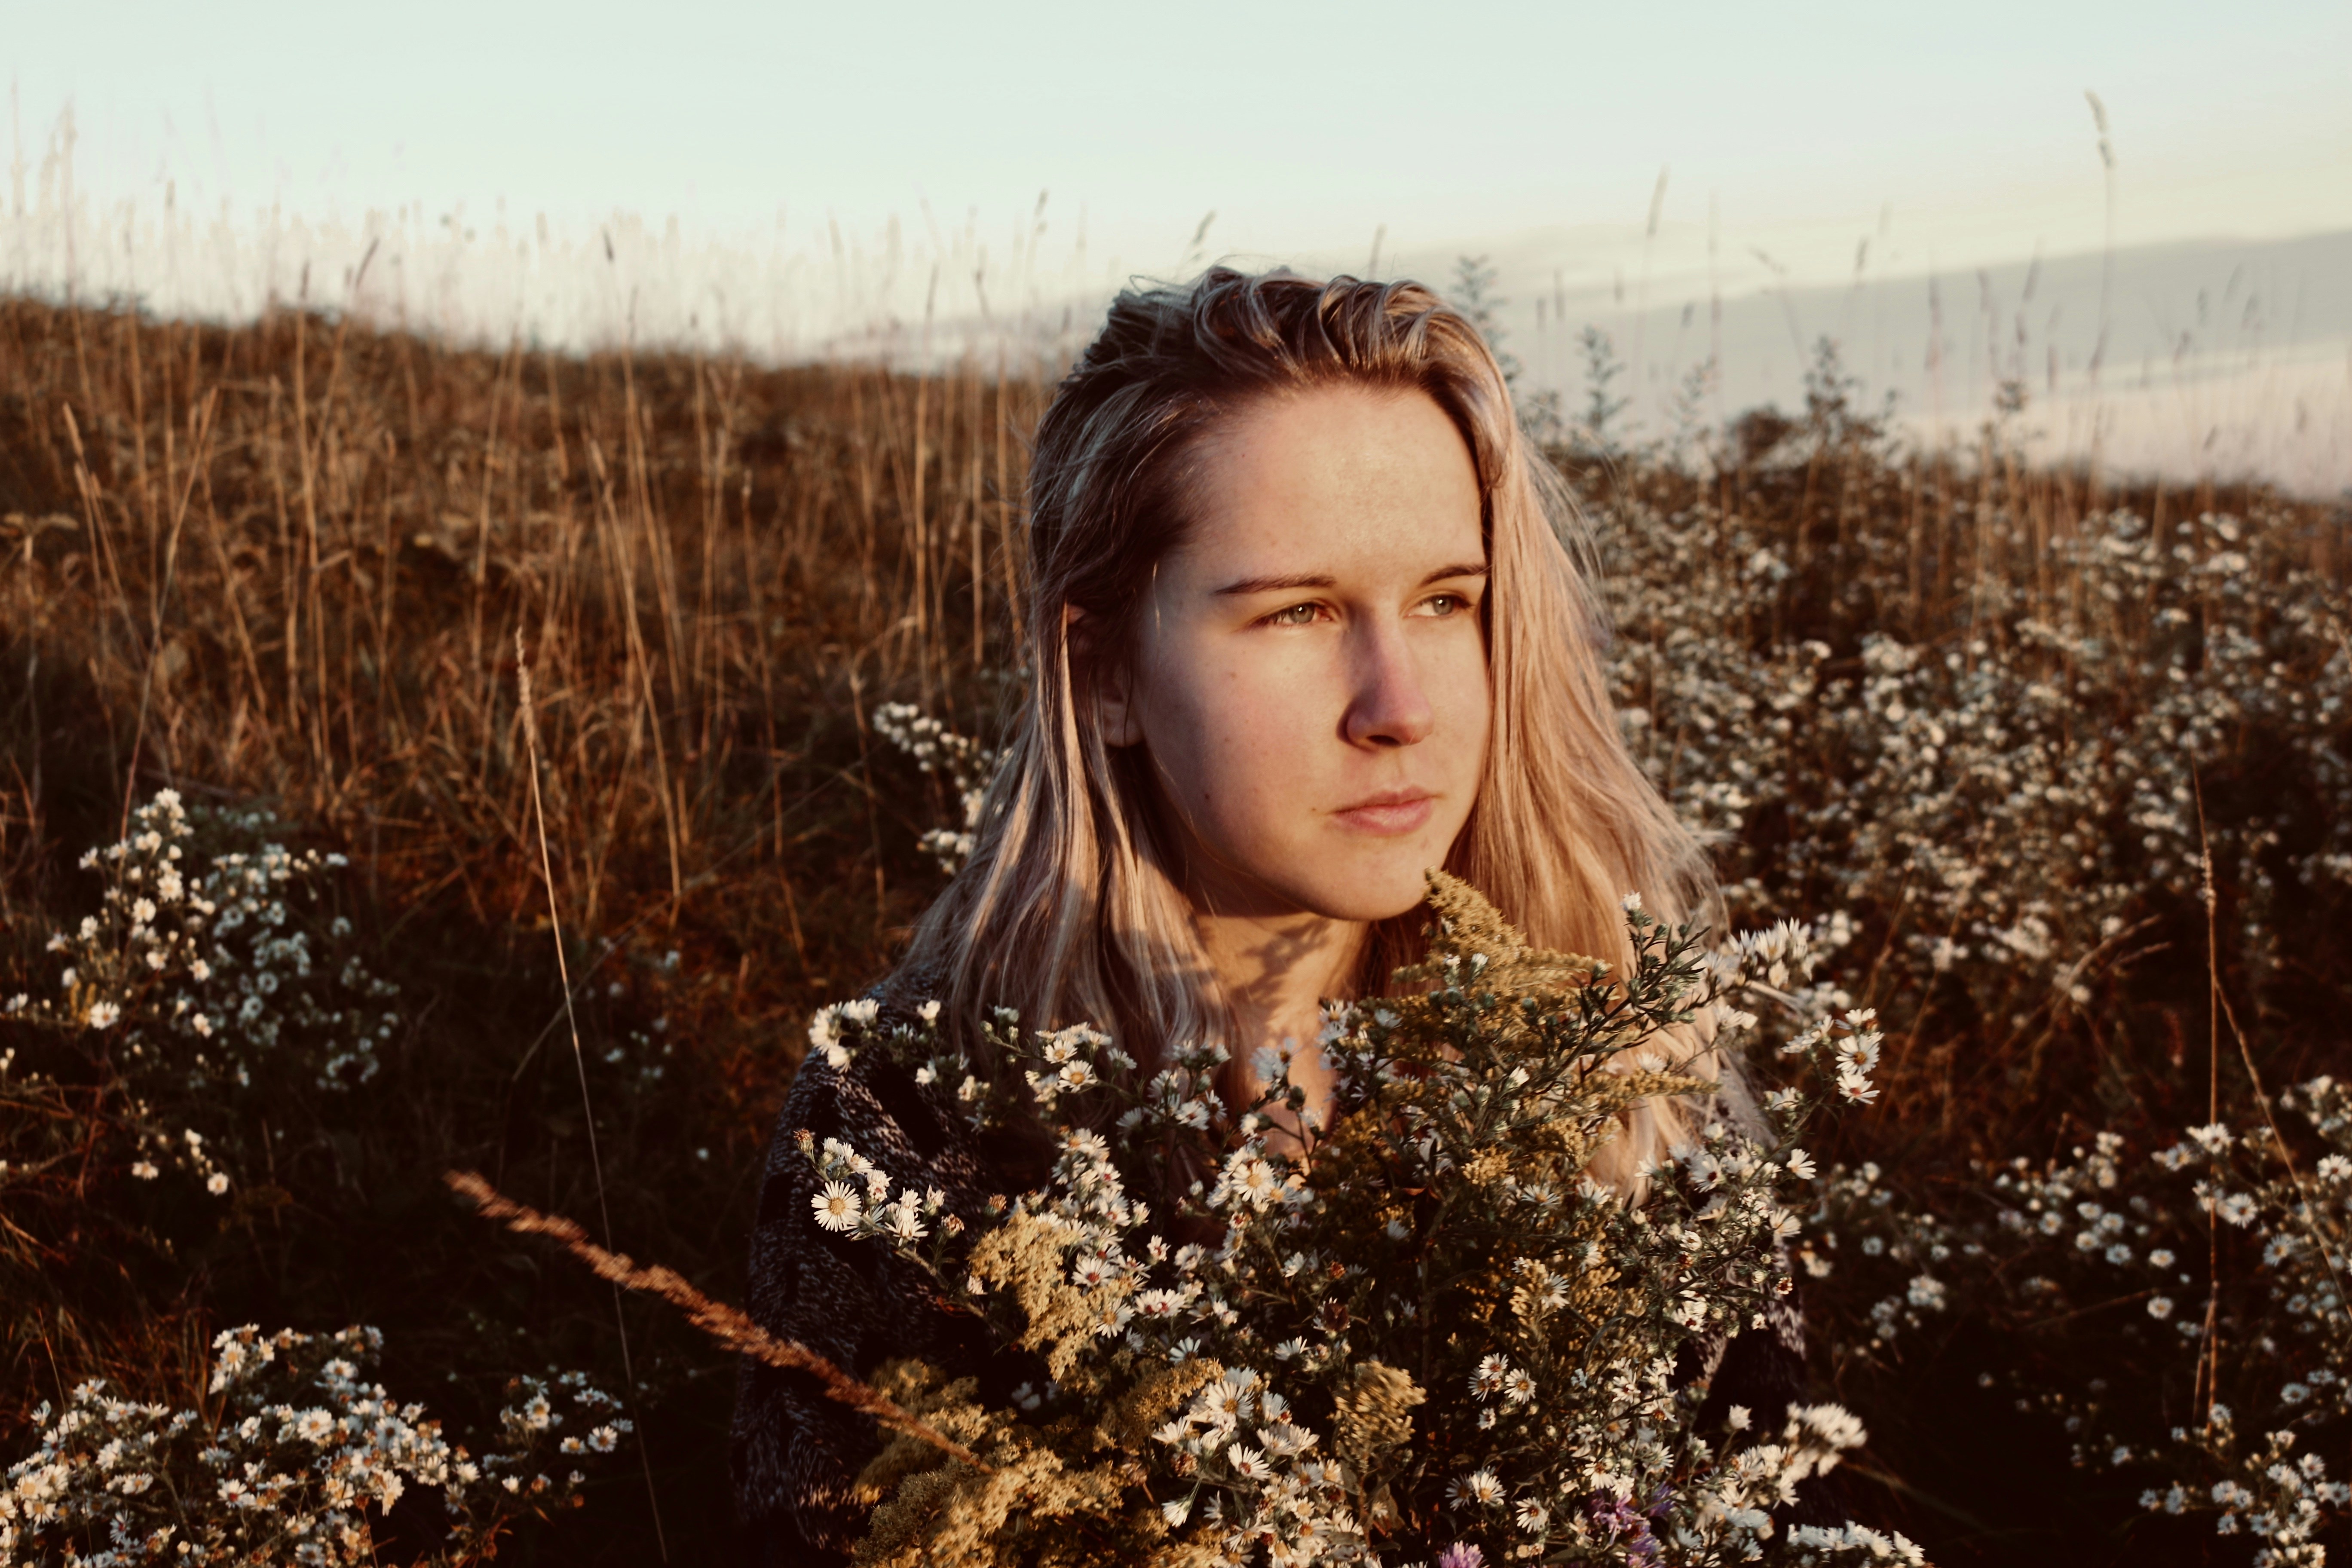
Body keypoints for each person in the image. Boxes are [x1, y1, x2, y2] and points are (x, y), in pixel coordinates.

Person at [730, 267, 1810, 1563]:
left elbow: (1777, 1513)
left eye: (1446, 602)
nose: (1400, 706)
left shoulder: (1624, 1058)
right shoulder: (921, 1119)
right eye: (1299, 611)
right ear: (1104, 672)